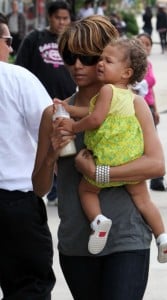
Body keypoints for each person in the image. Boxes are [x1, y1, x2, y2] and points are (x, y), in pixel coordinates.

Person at [32, 15, 167, 300]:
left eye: (87, 56)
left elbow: (156, 165)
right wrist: (52, 154)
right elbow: (40, 188)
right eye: (70, 56)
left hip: (126, 239)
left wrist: (97, 172)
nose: (78, 65)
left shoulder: (133, 105)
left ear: (106, 58)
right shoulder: (55, 114)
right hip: (76, 244)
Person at [57, 36, 167, 262]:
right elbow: (90, 111)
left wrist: (73, 125)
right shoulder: (131, 98)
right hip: (130, 157)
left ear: (126, 73)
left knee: (87, 190)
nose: (101, 63)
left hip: (106, 158)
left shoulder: (107, 91)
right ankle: (163, 237)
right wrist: (69, 108)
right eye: (100, 59)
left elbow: (95, 119)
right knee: (143, 200)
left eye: (108, 61)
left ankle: (98, 221)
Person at [0, 16, 55, 299]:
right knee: (28, 288)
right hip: (15, 202)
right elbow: (53, 125)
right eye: (8, 42)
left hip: (17, 200)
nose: (10, 49)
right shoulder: (17, 78)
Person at [15, 0, 76, 206]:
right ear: (50, 17)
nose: (61, 22)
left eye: (65, 18)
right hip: (40, 106)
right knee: (45, 148)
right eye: (58, 18)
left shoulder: (72, 41)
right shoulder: (35, 39)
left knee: (67, 147)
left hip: (69, 104)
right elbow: (21, 68)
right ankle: (49, 190)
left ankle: (62, 189)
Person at [136, 32, 167, 192]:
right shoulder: (131, 65)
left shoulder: (149, 65)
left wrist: (155, 109)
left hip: (148, 107)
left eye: (148, 44)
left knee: (153, 144)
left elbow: (151, 90)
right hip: (135, 109)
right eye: (141, 43)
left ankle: (157, 181)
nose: (145, 46)